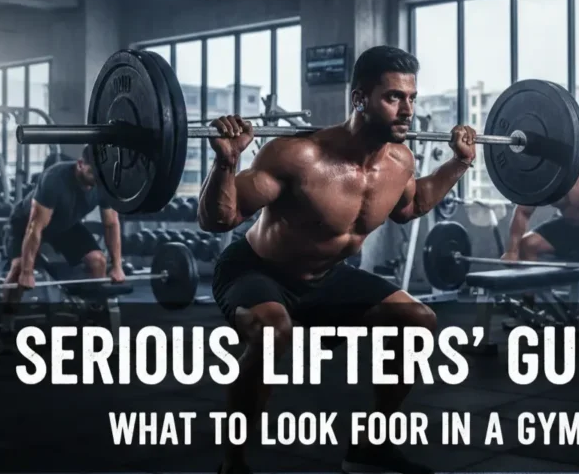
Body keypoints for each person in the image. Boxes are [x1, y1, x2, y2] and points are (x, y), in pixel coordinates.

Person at [198, 45, 477, 474]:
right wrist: (226, 162)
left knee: (417, 320)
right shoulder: (298, 156)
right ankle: (232, 464)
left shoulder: (400, 162)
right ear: (359, 98)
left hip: (326, 276)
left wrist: (459, 163)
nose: (407, 110)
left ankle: (371, 446)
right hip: (257, 269)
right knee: (272, 331)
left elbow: (411, 205)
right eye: (393, 97)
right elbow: (218, 220)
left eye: (411, 98)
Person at [0, 146, 126, 355]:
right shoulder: (55, 179)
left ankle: (94, 315)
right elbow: (35, 228)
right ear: (80, 164)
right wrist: (28, 272)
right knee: (18, 267)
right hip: (25, 224)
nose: (97, 178)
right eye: (92, 172)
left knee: (98, 261)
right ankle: (7, 328)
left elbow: (111, 224)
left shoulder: (104, 183)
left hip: (65, 225)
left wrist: (117, 266)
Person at [501, 160, 579, 310]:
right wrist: (512, 250)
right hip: (567, 226)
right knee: (527, 244)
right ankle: (528, 307)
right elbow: (523, 212)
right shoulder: (544, 178)